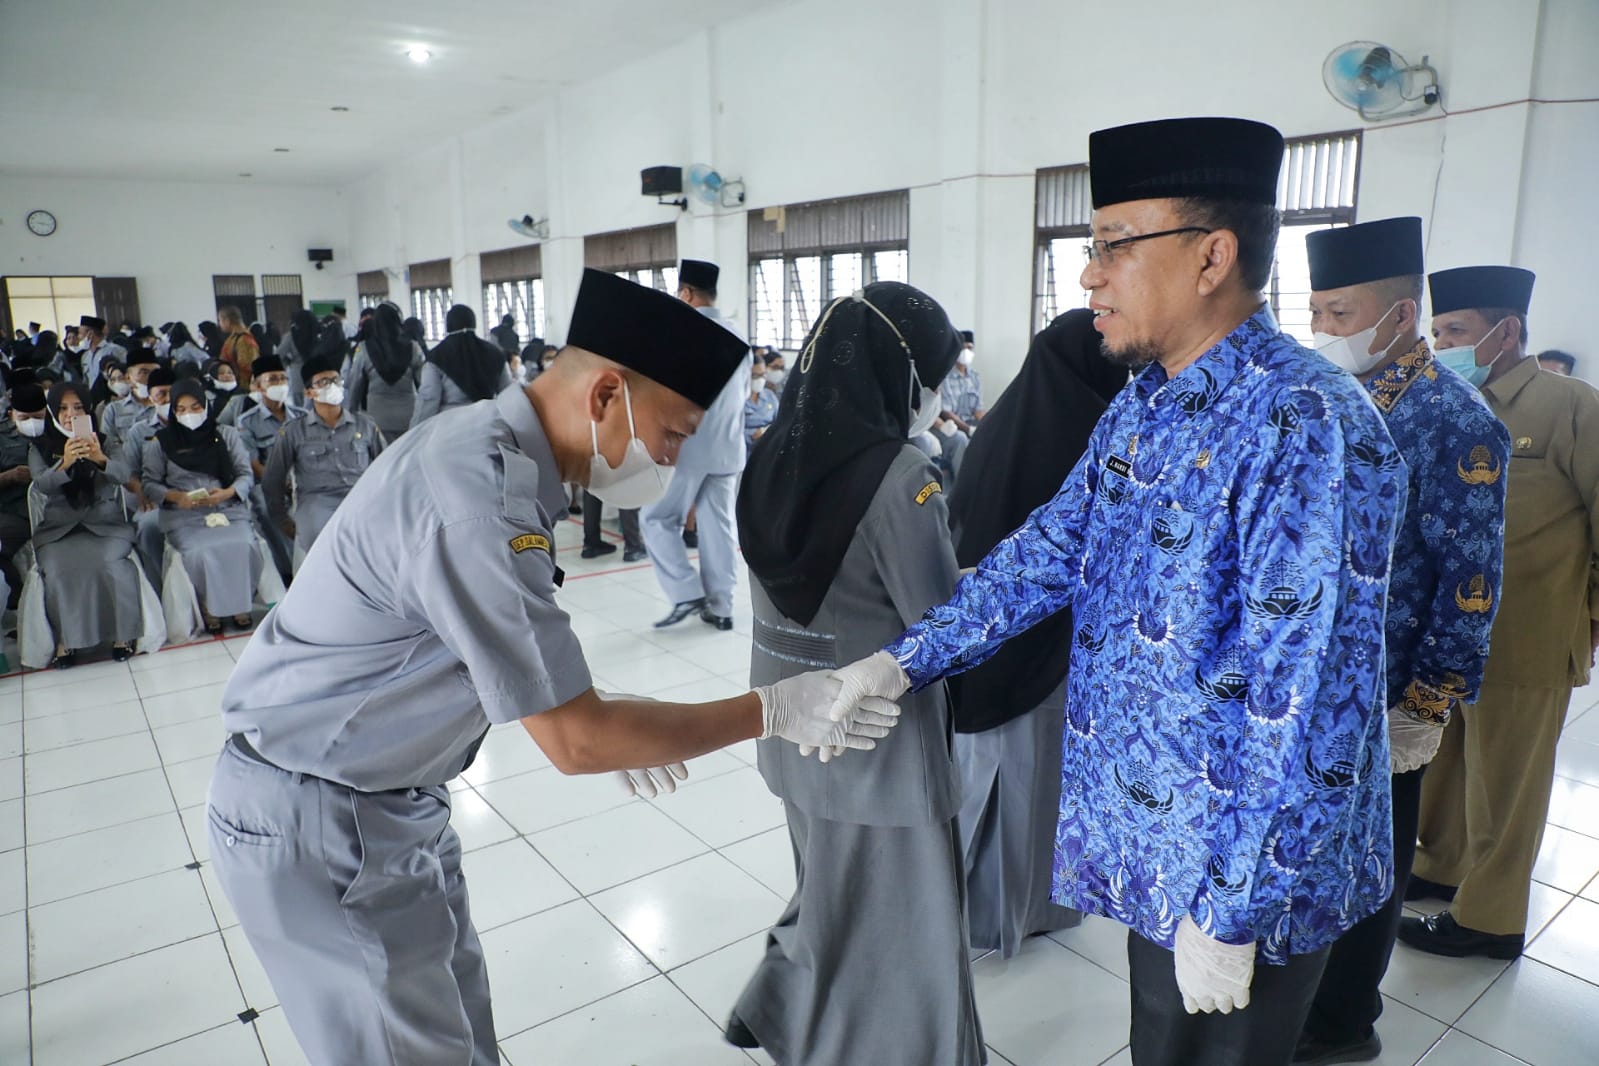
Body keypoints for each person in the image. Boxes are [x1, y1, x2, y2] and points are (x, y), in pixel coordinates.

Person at [826, 117, 1408, 1066]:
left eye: (1113, 246)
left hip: (1240, 861)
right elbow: (1049, 549)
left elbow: (1302, 696)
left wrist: (1233, 908)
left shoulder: (1301, 421)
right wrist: (900, 663)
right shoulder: (1145, 403)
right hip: (1159, 836)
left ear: (1211, 256)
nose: (1088, 277)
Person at [205, 268, 894, 1065]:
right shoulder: (479, 499)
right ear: (606, 395)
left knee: (456, 1037)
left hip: (385, 800)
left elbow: (490, 649)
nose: (670, 460)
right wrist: (770, 709)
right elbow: (577, 741)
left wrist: (613, 715)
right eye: (672, 435)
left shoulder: (490, 450)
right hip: (319, 812)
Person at [728, 283, 981, 1065]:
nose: (935, 394)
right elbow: (937, 621)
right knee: (911, 930)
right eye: (932, 375)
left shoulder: (771, 451)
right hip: (878, 738)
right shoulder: (900, 474)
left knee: (831, 890)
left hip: (789, 723)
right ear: (899, 373)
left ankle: (781, 1006)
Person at [1294, 222, 1510, 1065]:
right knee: (1316, 847)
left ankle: (1344, 1019)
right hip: (1311, 676)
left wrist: (1426, 703)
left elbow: (1470, 577)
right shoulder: (1327, 394)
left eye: (1339, 312)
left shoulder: (1450, 418)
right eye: (1314, 311)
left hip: (1388, 689)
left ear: (1399, 314)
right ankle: (1304, 992)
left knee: (1371, 858)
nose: (1322, 329)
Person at [1402, 267, 1599, 959]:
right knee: (1446, 761)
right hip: (1452, 629)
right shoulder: (1445, 404)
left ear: (1506, 331)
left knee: (1507, 782)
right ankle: (1439, 866)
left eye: (1454, 331)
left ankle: (1490, 919)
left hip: (1529, 630)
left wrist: (1588, 618)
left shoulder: (1569, 406)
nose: (1441, 345)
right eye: (1436, 332)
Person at [946, 308, 1128, 959]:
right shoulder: (1082, 437)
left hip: (983, 639)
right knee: (1029, 780)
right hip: (1039, 646)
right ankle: (1016, 913)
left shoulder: (1005, 422)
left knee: (998, 776)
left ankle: (993, 905)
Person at [642, 259, 752, 630]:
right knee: (717, 525)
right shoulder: (738, 336)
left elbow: (663, 396)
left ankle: (686, 592)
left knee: (656, 518)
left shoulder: (681, 334)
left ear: (687, 294)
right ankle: (721, 608)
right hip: (728, 450)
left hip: (686, 449)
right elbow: (743, 395)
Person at [26, 381, 146, 666]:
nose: (71, 414)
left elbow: (124, 475)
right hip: (58, 531)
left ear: (89, 410)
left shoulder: (105, 440)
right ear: (53, 412)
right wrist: (65, 463)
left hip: (106, 525)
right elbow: (41, 485)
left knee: (109, 563)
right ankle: (67, 639)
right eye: (63, 408)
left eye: (78, 407)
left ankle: (123, 635)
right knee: (58, 570)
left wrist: (100, 459)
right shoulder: (40, 446)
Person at [141, 378, 259, 633]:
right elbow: (149, 484)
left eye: (195, 407)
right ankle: (209, 604)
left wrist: (227, 493)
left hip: (226, 507)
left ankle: (240, 603)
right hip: (184, 514)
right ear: (173, 411)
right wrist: (177, 497)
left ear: (206, 406)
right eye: (181, 409)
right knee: (200, 551)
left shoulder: (226, 435)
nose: (189, 414)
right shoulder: (161, 442)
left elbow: (245, 475)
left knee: (243, 543)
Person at [263, 346, 384, 566]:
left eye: (336, 380)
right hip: (317, 501)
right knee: (325, 540)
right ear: (309, 393)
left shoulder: (365, 425)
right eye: (324, 382)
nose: (333, 386)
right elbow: (273, 480)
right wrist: (283, 521)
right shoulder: (294, 431)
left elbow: (386, 468)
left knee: (380, 536)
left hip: (360, 497)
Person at [226, 355, 306, 580]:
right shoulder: (247, 421)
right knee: (266, 508)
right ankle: (288, 569)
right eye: (272, 379)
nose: (279, 384)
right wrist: (279, 482)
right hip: (267, 482)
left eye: (283, 378)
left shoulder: (302, 416)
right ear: (259, 386)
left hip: (302, 479)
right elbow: (252, 462)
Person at [410, 304, 512, 428]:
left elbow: (429, 398)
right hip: (486, 424)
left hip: (450, 426)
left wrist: (414, 430)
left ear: (448, 325)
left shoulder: (437, 356)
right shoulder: (495, 354)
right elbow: (508, 394)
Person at [120, 366, 177, 582]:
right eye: (161, 394)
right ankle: (160, 585)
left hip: (191, 495)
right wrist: (142, 493)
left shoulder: (194, 424)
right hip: (153, 499)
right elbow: (129, 473)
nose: (168, 399)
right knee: (149, 526)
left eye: (172, 393)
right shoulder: (139, 431)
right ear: (151, 398)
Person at [347, 302, 425, 441]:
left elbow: (354, 385)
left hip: (376, 418)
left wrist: (351, 414)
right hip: (408, 417)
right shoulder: (413, 347)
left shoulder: (364, 348)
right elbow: (424, 384)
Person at [0, 383, 43, 612]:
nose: (32, 422)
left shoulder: (57, 432)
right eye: (24, 418)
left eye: (38, 417)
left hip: (54, 508)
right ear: (11, 414)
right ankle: (15, 600)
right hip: (13, 510)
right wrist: (9, 476)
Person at [101, 349, 159, 458]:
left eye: (156, 373)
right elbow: (110, 447)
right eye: (144, 373)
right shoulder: (113, 410)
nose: (151, 378)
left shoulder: (168, 408)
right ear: (128, 377)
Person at [276, 310, 319, 405]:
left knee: (300, 406)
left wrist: (288, 362)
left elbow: (278, 355)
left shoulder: (292, 336)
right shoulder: (319, 335)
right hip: (318, 374)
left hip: (299, 374)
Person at [742, 353, 779, 452]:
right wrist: (751, 434)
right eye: (755, 376)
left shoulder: (770, 396)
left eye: (763, 375)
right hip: (745, 449)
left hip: (768, 448)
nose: (760, 379)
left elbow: (780, 422)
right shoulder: (737, 400)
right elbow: (730, 430)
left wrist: (766, 432)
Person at [79, 315, 126, 389]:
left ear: (90, 334)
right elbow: (86, 381)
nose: (79, 337)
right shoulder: (85, 356)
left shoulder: (115, 350)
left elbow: (124, 374)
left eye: (80, 333)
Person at [219, 306, 261, 386]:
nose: (219, 324)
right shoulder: (234, 338)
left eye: (220, 320)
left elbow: (249, 367)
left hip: (243, 387)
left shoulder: (244, 340)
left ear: (227, 321)